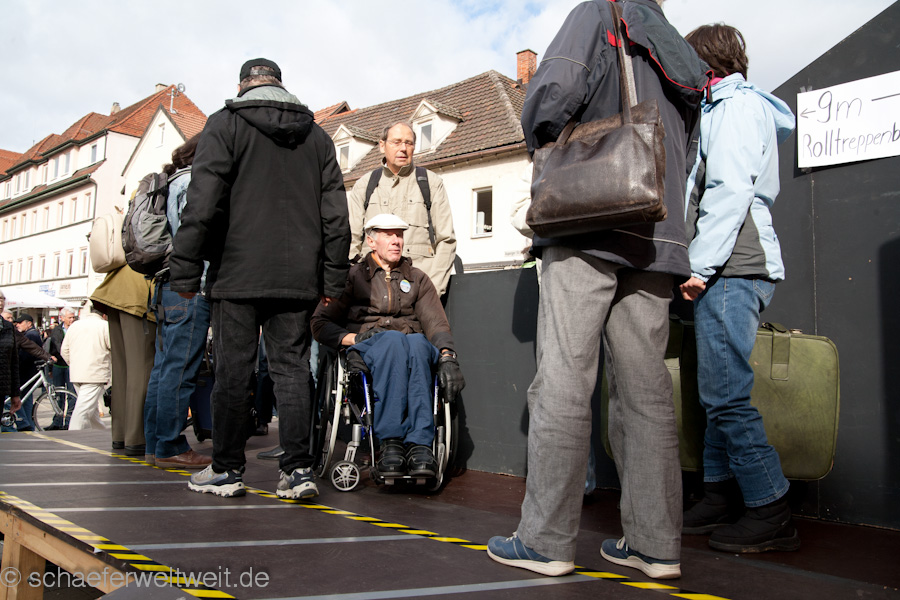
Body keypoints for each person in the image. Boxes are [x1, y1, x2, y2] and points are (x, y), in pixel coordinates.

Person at [487, 0, 707, 580]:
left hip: (588, 220)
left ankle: (545, 541)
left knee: (563, 376)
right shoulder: (679, 49)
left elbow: (550, 95)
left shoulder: (599, 12)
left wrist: (551, 148)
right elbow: (685, 143)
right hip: (656, 231)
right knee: (646, 389)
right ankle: (656, 546)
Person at [169, 58, 350, 499]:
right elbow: (336, 218)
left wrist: (185, 269)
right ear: (281, 86)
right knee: (292, 371)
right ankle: (298, 470)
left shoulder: (225, 124)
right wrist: (332, 282)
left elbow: (202, 202)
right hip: (298, 276)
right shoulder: (317, 137)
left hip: (237, 271)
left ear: (242, 86)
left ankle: (227, 469)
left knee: (234, 372)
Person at [679, 24, 799, 554]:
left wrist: (700, 266)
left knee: (726, 396)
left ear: (706, 66)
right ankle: (718, 495)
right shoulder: (724, 107)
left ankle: (770, 507)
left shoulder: (734, 106)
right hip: (730, 267)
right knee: (715, 393)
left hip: (732, 267)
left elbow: (728, 190)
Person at [311, 214, 465, 476]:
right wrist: (354, 339)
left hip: (410, 346)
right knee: (394, 341)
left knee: (419, 344)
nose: (396, 241)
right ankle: (391, 441)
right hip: (368, 346)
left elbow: (436, 324)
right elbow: (319, 323)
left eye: (399, 235)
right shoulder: (352, 277)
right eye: (388, 235)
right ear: (371, 241)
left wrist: (448, 355)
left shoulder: (417, 279)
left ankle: (419, 444)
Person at [143, 134, 212, 470]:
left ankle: (155, 444)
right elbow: (196, 235)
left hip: (167, 285)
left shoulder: (171, 181)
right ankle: (170, 445)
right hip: (190, 287)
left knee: (163, 369)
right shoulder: (193, 184)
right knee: (180, 370)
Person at [347, 121, 457, 297]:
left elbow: (446, 240)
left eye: (409, 143)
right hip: (371, 292)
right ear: (382, 146)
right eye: (396, 142)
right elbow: (351, 241)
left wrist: (432, 291)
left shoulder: (431, 184)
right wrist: (357, 285)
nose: (403, 148)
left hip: (419, 290)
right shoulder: (364, 186)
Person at [91, 264, 156, 455]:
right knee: (141, 368)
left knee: (121, 371)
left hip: (115, 288)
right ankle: (137, 437)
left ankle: (120, 434)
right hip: (139, 290)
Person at [61, 302, 111, 430]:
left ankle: (101, 434)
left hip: (77, 373)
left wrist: (73, 363)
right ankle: (72, 436)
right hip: (95, 373)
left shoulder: (75, 325)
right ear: (104, 315)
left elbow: (64, 350)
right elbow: (114, 349)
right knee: (82, 412)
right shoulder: (105, 326)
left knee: (90, 411)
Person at [45, 307, 77, 430]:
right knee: (58, 394)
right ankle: (57, 421)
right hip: (59, 365)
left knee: (72, 395)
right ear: (62, 318)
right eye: (69, 317)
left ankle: (69, 421)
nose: (72, 320)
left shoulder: (76, 329)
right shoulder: (57, 331)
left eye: (73, 317)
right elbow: (57, 347)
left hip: (71, 366)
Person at [14, 314, 43, 431]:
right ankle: (28, 424)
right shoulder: (31, 334)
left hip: (25, 373)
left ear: (29, 323)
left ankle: (26, 424)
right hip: (27, 373)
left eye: (20, 323)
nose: (17, 325)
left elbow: (26, 355)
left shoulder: (31, 335)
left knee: (24, 399)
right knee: (26, 399)